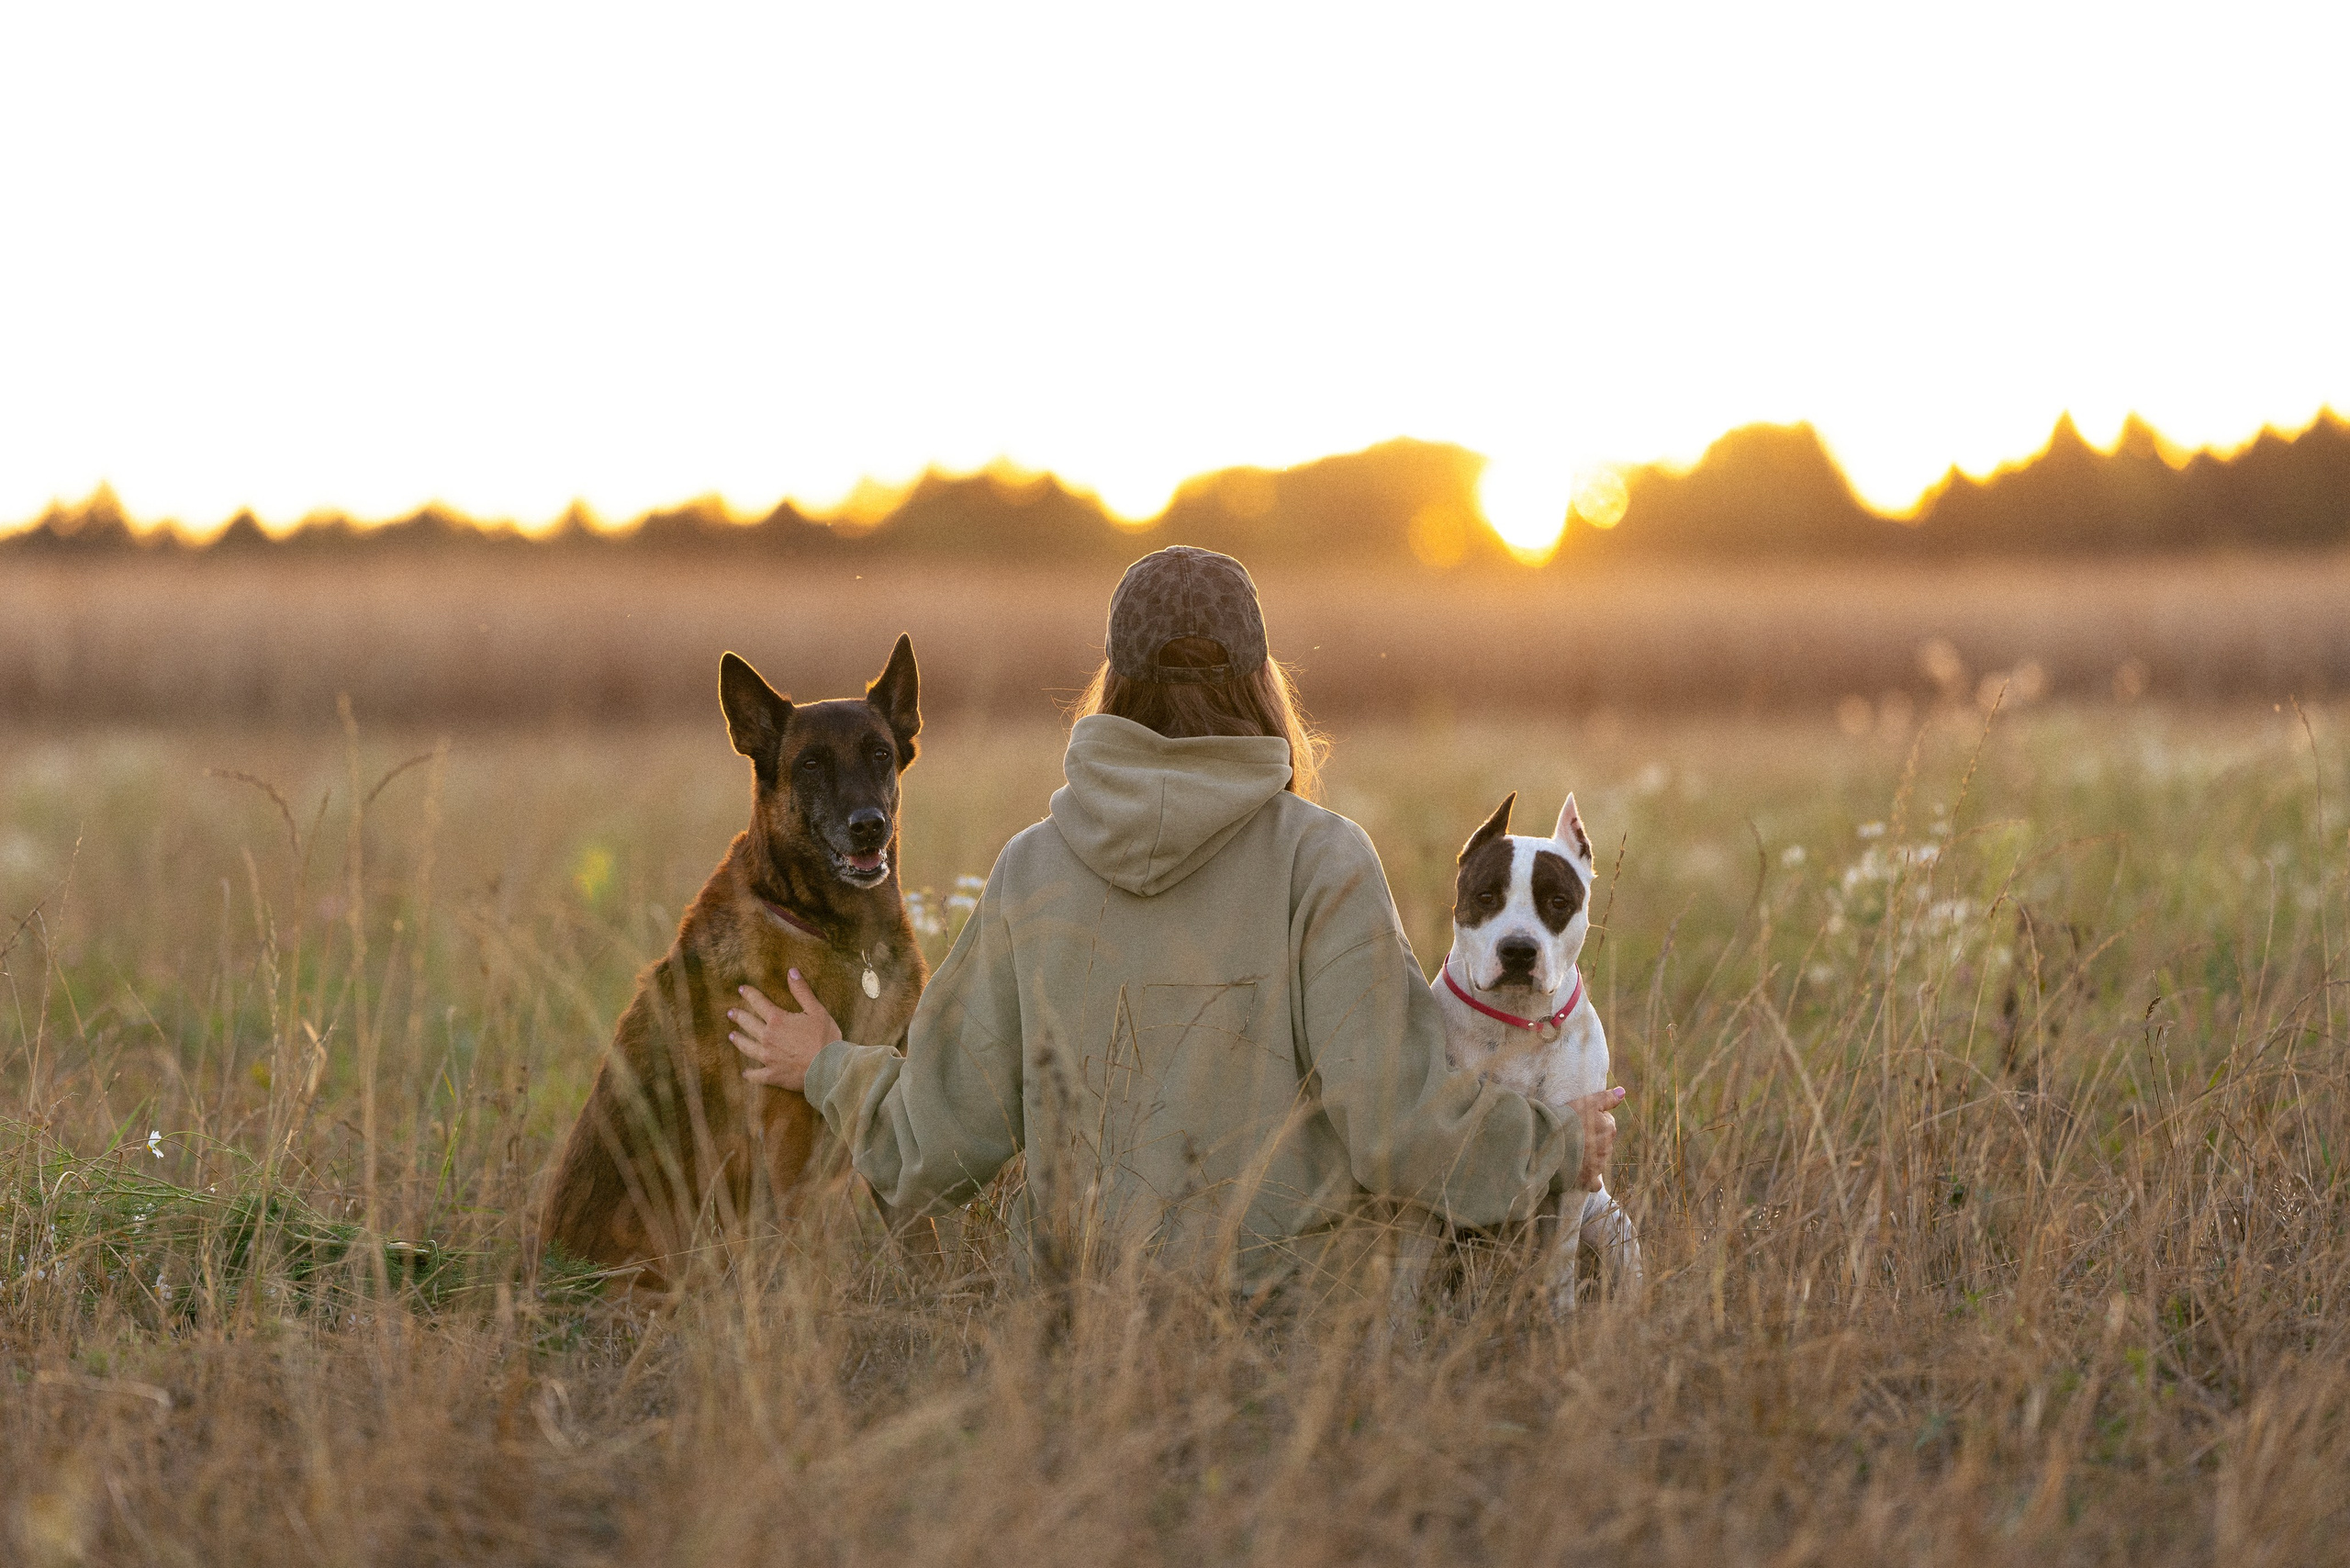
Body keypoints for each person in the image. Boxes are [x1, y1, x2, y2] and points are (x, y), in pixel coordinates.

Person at [728, 545, 1621, 1297]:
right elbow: (1397, 1126)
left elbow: (938, 1143)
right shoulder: (1325, 858)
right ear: (1262, 683)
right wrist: (1556, 1146)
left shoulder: (1031, 868)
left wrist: (826, 1067)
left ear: (1114, 684)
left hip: (1078, 1336)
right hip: (1295, 1341)